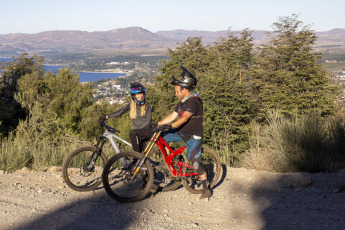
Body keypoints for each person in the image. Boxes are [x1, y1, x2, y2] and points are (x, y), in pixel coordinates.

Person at [156, 65, 212, 200]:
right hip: (181, 132)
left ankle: (206, 188)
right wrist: (156, 125)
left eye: (177, 91)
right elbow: (172, 116)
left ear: (184, 89)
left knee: (195, 163)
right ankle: (171, 161)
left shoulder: (194, 102)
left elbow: (185, 117)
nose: (175, 94)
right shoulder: (182, 102)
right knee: (161, 136)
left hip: (193, 136)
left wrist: (170, 125)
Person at [100, 82, 153, 153]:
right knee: (142, 154)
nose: (140, 96)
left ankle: (136, 157)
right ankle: (138, 159)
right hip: (136, 133)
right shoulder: (131, 105)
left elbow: (148, 121)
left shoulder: (147, 105)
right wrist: (107, 116)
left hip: (145, 131)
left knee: (141, 153)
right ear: (133, 95)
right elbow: (121, 111)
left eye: (141, 93)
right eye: (137, 94)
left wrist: (138, 130)